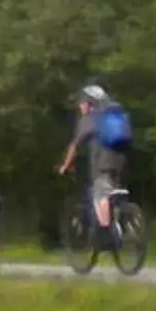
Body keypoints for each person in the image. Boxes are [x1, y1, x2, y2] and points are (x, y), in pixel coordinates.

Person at [55, 82, 131, 247]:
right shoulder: (113, 113)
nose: (80, 107)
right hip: (120, 161)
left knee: (100, 194)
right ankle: (118, 224)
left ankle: (105, 235)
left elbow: (75, 145)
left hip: (102, 162)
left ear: (89, 103)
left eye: (82, 103)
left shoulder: (89, 119)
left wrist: (65, 165)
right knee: (112, 193)